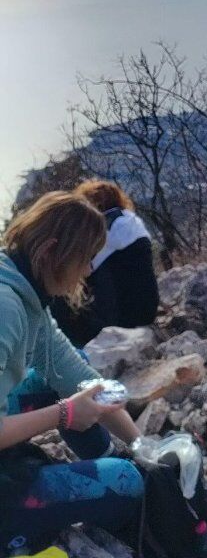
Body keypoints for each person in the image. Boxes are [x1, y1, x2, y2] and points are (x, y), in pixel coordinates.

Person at [0, 192, 143, 553]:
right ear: (51, 251)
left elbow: (80, 378)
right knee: (126, 481)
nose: (90, 270)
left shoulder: (27, 292)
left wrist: (142, 448)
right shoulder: (6, 306)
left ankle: (114, 462)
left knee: (133, 467)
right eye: (85, 258)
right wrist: (64, 414)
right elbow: (72, 404)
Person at [51, 179, 159, 348]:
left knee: (57, 298)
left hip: (118, 321)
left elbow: (80, 274)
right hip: (147, 311)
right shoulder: (133, 223)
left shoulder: (101, 231)